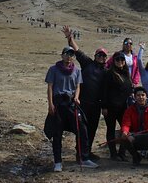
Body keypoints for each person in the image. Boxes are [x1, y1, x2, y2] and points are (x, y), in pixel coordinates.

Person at [45, 47, 98, 171]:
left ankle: (83, 158)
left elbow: (78, 86)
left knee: (82, 129)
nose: (69, 57)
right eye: (67, 54)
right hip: (58, 103)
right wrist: (50, 104)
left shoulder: (77, 70)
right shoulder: (53, 69)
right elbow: (50, 87)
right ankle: (57, 162)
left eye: (71, 54)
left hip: (71, 103)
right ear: (62, 55)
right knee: (57, 133)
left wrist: (77, 97)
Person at [65, 25, 107, 160]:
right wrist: (70, 38)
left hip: (96, 104)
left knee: (92, 128)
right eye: (99, 55)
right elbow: (77, 51)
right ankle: (80, 153)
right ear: (95, 56)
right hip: (82, 102)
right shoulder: (87, 63)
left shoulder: (106, 72)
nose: (101, 57)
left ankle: (87, 152)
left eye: (104, 55)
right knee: (81, 128)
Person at [120, 86, 148, 166]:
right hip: (136, 135)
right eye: (138, 95)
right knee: (124, 138)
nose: (141, 97)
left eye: (143, 95)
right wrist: (125, 132)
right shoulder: (130, 110)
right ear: (134, 97)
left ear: (146, 96)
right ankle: (136, 157)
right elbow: (126, 124)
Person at [102, 51, 134, 161]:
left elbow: (129, 89)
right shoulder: (109, 73)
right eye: (117, 60)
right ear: (114, 61)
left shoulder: (126, 73)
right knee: (110, 129)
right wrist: (104, 106)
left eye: (122, 60)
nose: (120, 62)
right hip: (110, 107)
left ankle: (122, 152)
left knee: (125, 129)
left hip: (123, 107)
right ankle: (113, 154)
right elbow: (104, 91)